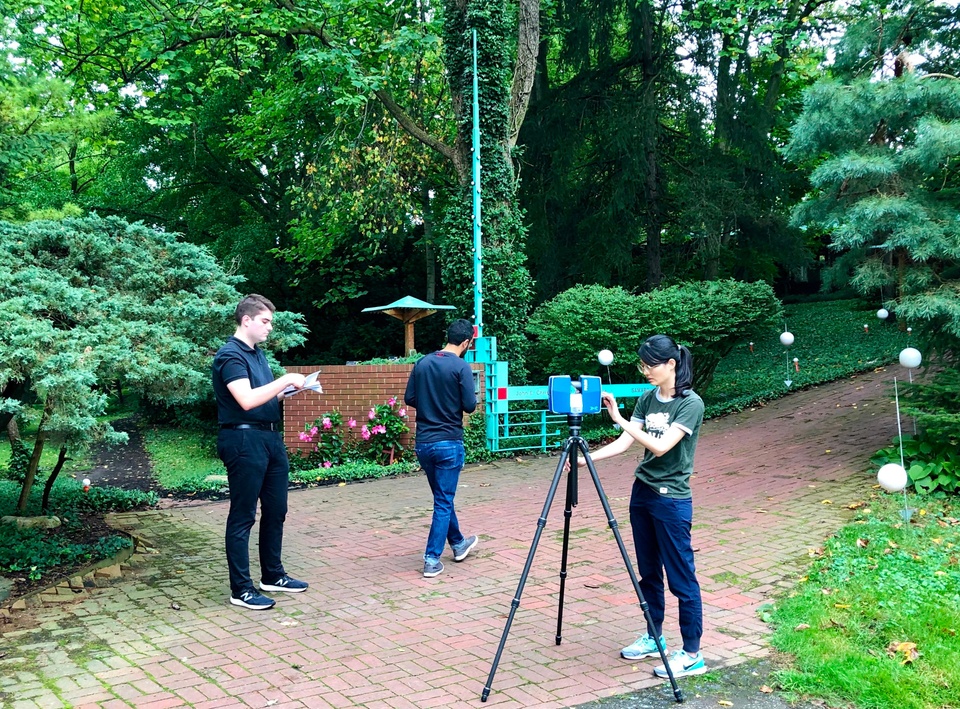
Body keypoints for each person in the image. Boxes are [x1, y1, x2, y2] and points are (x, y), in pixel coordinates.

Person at [589, 334, 706, 679]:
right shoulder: (647, 398)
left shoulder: (690, 403)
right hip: (642, 493)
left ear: (671, 364)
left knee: (682, 578)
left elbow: (661, 447)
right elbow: (627, 442)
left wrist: (620, 419)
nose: (645, 371)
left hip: (672, 500)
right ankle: (655, 636)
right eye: (642, 365)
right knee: (649, 572)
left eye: (650, 365)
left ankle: (692, 653)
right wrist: (587, 459)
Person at [212, 294, 310, 610]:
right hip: (242, 442)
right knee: (243, 516)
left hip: (269, 440)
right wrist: (283, 379)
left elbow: (262, 398)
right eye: (265, 321)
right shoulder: (230, 356)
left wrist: (285, 392)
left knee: (276, 509)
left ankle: (273, 576)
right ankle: (241, 589)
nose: (269, 327)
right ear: (247, 320)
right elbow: (245, 400)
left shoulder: (258, 356)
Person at [404, 318, 480, 578]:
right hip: (449, 442)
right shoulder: (460, 367)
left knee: (442, 499)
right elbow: (469, 405)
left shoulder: (422, 363)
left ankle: (458, 544)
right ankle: (431, 559)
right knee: (443, 502)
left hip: (424, 443)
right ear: (466, 342)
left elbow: (409, 398)